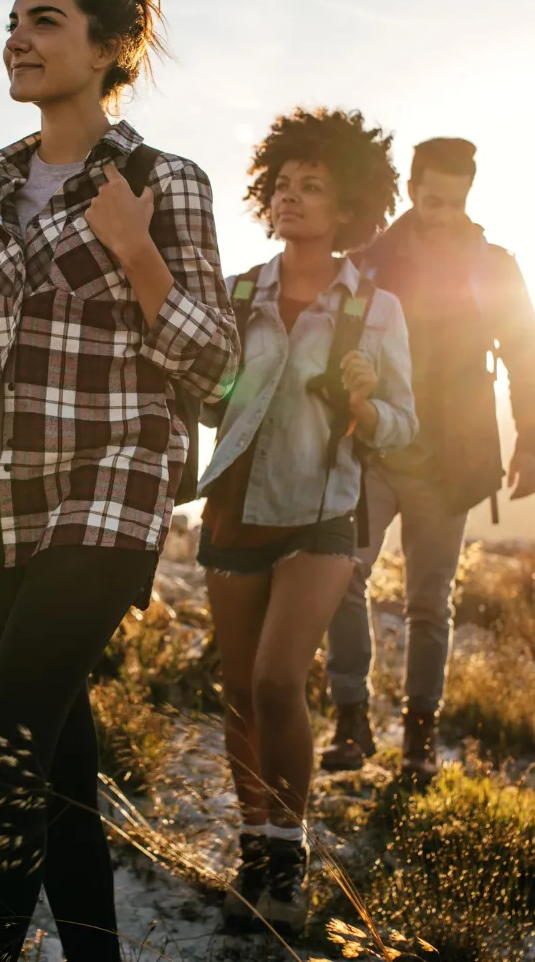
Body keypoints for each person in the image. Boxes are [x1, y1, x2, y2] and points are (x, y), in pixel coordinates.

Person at [0, 0, 240, 962]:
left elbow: (218, 365)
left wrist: (138, 252)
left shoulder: (162, 180)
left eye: (46, 20)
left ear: (111, 48)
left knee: (3, 731)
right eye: (14, 19)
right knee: (55, 747)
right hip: (2, 486)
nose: (17, 36)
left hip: (115, 481)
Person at [198, 108, 417, 933]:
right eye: (283, 184)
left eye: (313, 187)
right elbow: (209, 395)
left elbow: (406, 423)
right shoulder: (239, 293)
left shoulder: (377, 310)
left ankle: (287, 869)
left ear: (350, 208)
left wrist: (365, 405)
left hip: (322, 514)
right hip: (233, 507)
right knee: (236, 692)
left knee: (276, 680)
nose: (291, 198)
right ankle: (252, 854)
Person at [322, 137, 535, 781]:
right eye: (431, 198)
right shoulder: (371, 258)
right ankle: (350, 717)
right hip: (370, 446)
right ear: (414, 187)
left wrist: (531, 443)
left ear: (469, 195)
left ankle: (419, 737)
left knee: (429, 602)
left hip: (453, 462)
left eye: (455, 201)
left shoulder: (494, 266)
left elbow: (528, 352)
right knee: (341, 576)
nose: (443, 211)